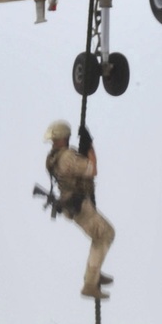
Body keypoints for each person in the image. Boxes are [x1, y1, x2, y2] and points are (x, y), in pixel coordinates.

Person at [44, 120, 115, 300]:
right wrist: (90, 147)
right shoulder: (66, 157)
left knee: (99, 236)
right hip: (79, 205)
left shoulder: (53, 157)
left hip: (73, 204)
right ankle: (90, 284)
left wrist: (82, 152)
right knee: (105, 234)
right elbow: (92, 169)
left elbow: (76, 169)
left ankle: (93, 273)